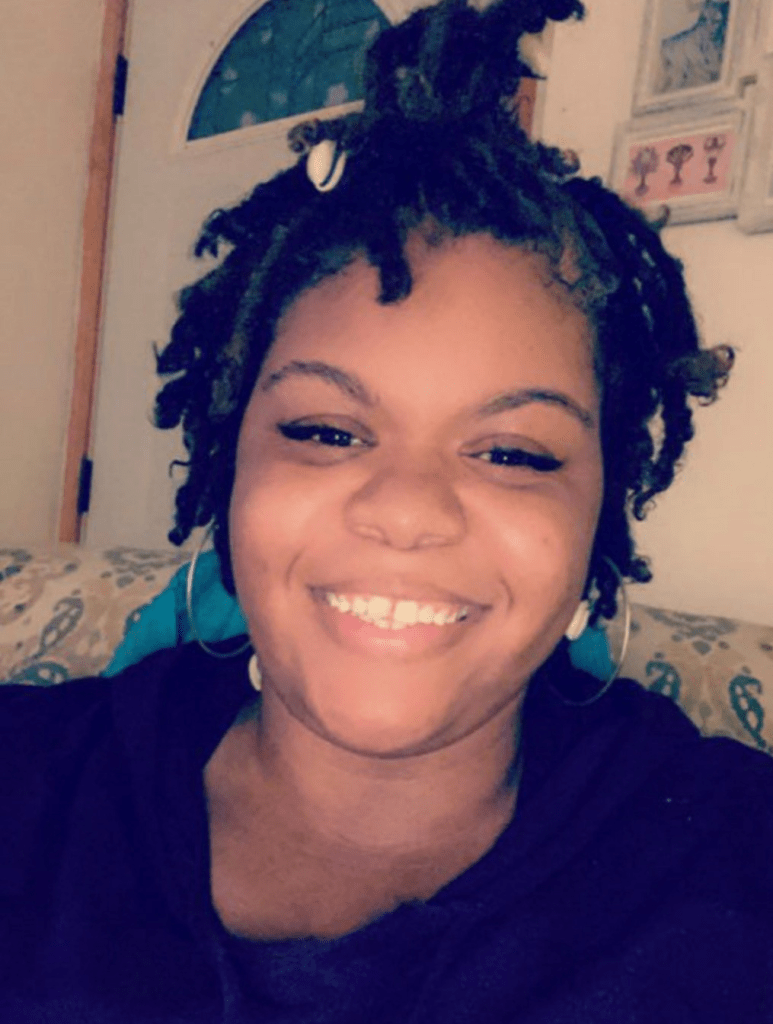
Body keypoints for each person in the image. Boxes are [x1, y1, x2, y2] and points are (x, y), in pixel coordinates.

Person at [1, 1, 771, 1021]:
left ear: (598, 515)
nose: (406, 511)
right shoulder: (28, 783)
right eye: (327, 430)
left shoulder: (731, 868)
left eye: (511, 452)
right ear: (232, 464)